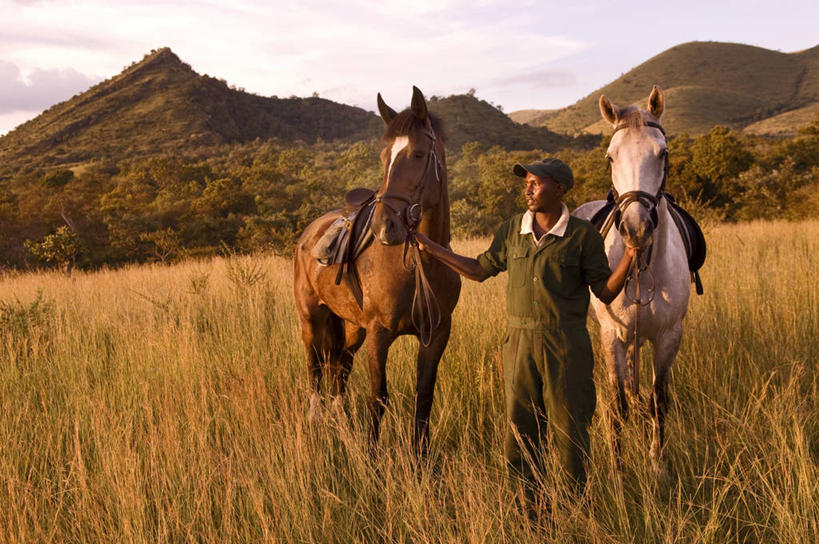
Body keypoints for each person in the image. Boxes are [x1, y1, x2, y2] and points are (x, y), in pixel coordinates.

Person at [415, 157, 636, 498]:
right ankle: (529, 512)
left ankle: (575, 509)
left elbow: (604, 291)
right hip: (517, 345)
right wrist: (431, 248)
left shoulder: (582, 236)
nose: (528, 188)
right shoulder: (511, 231)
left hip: (566, 345)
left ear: (560, 189)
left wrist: (631, 256)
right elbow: (478, 269)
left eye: (537, 182)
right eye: (526, 182)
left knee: (570, 430)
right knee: (520, 432)